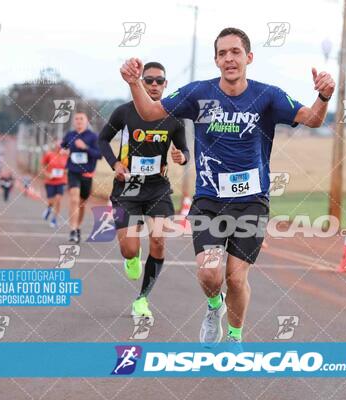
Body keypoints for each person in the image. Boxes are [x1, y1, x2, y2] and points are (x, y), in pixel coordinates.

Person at [120, 27, 334, 344]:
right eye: (222, 53)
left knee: (235, 277)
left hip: (252, 202)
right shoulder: (198, 94)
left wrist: (324, 95)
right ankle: (213, 307)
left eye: (235, 52)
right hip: (209, 200)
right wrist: (135, 83)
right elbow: (150, 111)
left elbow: (313, 119)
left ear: (248, 57)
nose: (229, 58)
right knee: (210, 273)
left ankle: (234, 336)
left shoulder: (267, 96)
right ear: (216, 60)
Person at [99, 61, 190, 317]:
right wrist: (114, 162)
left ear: (165, 84)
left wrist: (182, 157)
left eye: (158, 81)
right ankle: (131, 257)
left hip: (157, 187)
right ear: (140, 82)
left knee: (159, 241)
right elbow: (102, 139)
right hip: (128, 186)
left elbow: (185, 150)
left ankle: (142, 299)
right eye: (148, 80)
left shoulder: (173, 118)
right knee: (129, 248)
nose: (153, 85)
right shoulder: (124, 112)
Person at [61, 112, 102, 243]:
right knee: (74, 199)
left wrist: (85, 147)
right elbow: (63, 147)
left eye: (81, 119)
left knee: (81, 203)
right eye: (76, 119)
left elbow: (99, 155)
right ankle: (72, 229)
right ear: (74, 122)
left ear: (86, 121)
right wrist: (63, 150)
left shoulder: (93, 137)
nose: (79, 121)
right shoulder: (70, 135)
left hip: (87, 174)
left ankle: (78, 227)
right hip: (73, 172)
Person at [41, 139, 69, 228]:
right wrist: (47, 174)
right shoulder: (49, 155)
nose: (59, 148)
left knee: (58, 199)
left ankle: (54, 219)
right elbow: (42, 166)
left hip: (61, 181)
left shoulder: (66, 156)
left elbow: (69, 168)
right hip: (50, 181)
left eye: (61, 146)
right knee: (51, 201)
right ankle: (49, 209)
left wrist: (66, 171)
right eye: (58, 146)